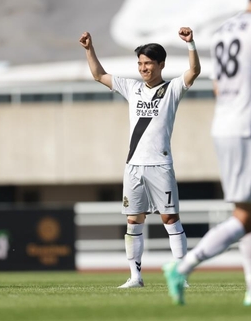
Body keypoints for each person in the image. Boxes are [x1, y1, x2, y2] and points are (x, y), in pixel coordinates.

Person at [163, 0, 251, 306]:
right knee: (247, 215)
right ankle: (182, 266)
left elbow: (219, 88)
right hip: (242, 129)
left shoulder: (224, 31)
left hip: (224, 124)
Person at [79, 27, 201, 288]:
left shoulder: (172, 90)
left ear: (161, 64)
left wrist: (191, 44)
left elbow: (194, 72)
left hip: (160, 165)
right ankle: (135, 277)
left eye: (148, 63)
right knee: (133, 220)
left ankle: (180, 274)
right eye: (140, 63)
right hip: (133, 167)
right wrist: (89, 49)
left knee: (170, 218)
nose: (143, 68)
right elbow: (99, 75)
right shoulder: (131, 87)